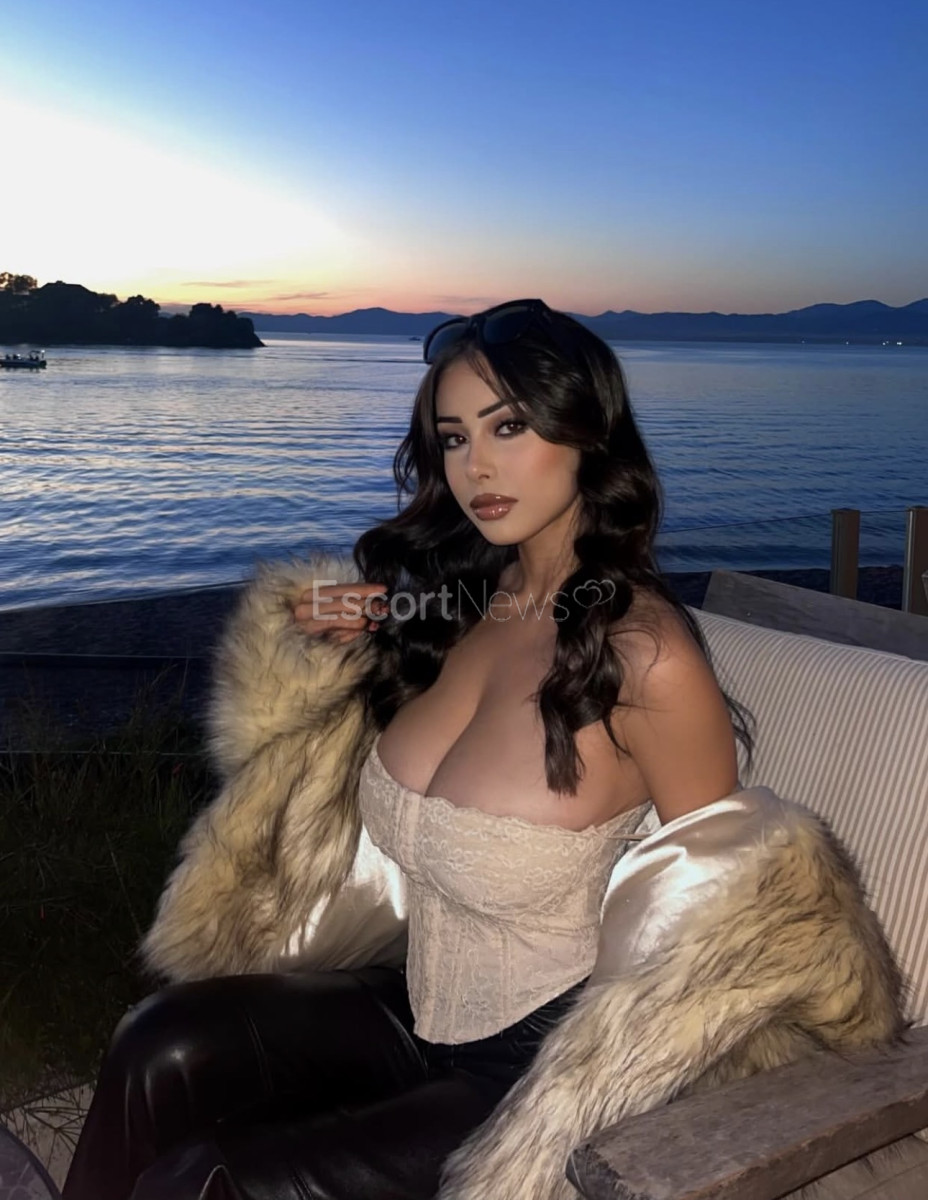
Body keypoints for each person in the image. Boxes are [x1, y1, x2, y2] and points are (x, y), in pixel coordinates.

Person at [62, 300, 900, 1200]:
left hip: (538, 1068)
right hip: (413, 1000)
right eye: (455, 438)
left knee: (209, 1177)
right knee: (159, 1042)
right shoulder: (466, 600)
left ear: (588, 433)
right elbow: (361, 688)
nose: (477, 467)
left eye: (509, 427)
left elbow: (719, 923)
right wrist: (327, 625)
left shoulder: (644, 657)